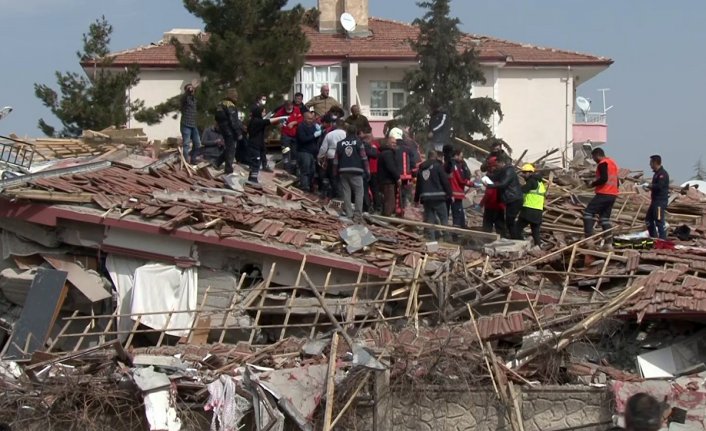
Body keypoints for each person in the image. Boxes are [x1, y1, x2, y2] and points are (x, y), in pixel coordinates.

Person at [333, 124, 370, 222]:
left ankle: (349, 214)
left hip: (343, 171)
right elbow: (364, 158)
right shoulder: (359, 142)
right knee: (359, 193)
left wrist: (334, 172)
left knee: (346, 192)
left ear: (347, 132)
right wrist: (368, 171)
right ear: (356, 132)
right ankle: (357, 215)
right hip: (356, 171)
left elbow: (335, 160)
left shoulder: (340, 144)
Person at [414, 151, 452, 241]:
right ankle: (447, 239)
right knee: (444, 219)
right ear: (435, 157)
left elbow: (418, 185)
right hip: (438, 197)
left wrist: (416, 199)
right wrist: (450, 194)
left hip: (426, 198)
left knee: (429, 221)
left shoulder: (421, 169)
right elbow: (445, 181)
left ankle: (432, 240)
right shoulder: (438, 166)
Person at [583, 147, 619, 240]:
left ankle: (588, 238)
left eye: (593, 157)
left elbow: (604, 178)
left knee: (588, 212)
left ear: (597, 155)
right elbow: (616, 181)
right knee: (604, 218)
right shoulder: (612, 163)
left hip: (604, 193)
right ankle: (608, 243)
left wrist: (592, 184)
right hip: (613, 194)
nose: (594, 160)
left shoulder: (602, 164)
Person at [246, 105, 288, 183]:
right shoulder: (257, 122)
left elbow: (268, 118)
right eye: (263, 112)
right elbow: (269, 121)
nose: (264, 113)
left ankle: (252, 179)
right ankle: (252, 180)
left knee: (256, 162)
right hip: (254, 145)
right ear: (259, 113)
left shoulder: (256, 120)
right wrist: (283, 118)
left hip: (258, 145)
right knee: (256, 162)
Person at [485, 157, 523, 239]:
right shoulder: (503, 171)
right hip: (511, 199)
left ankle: (517, 239)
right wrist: (487, 175)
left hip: (514, 199)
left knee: (510, 221)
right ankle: (515, 238)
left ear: (500, 162)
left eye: (496, 166)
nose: (495, 168)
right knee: (509, 221)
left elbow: (503, 184)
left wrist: (490, 185)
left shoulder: (509, 171)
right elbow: (494, 177)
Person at [214, 88, 244, 175]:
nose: (237, 98)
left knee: (229, 148)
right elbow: (233, 121)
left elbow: (216, 118)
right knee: (231, 149)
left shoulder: (220, 103)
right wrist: (238, 133)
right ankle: (228, 169)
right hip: (229, 129)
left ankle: (217, 162)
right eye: (236, 96)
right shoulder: (230, 105)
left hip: (222, 128)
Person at [516, 163, 546, 246]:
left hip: (529, 210)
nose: (523, 175)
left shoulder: (531, 181)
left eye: (525, 173)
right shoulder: (540, 183)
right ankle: (538, 246)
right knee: (535, 231)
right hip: (538, 211)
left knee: (516, 229)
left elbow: (523, 190)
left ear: (530, 173)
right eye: (523, 172)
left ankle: (521, 245)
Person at [318, 119, 347, 198]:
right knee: (341, 177)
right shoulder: (346, 134)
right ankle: (341, 194)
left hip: (331, 155)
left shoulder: (330, 134)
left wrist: (320, 156)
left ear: (335, 125)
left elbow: (323, 148)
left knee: (333, 176)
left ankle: (335, 194)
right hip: (343, 157)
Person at [644, 155, 670, 240]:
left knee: (659, 221)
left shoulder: (662, 174)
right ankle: (653, 237)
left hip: (660, 202)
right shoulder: (656, 174)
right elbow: (655, 187)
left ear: (655, 162)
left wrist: (650, 185)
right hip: (654, 201)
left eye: (651, 162)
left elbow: (659, 186)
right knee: (648, 219)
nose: (649, 164)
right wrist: (648, 187)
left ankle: (662, 240)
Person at [296, 112, 323, 192]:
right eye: (309, 119)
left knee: (312, 171)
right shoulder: (301, 127)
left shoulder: (313, 126)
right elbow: (303, 139)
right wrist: (314, 135)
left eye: (312, 118)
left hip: (312, 153)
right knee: (305, 170)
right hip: (304, 152)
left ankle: (310, 186)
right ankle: (305, 187)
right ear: (304, 118)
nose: (311, 120)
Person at [274, 100, 303, 174]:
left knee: (294, 153)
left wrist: (294, 122)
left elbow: (301, 119)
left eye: (290, 107)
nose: (289, 109)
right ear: (285, 106)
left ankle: (293, 171)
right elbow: (275, 119)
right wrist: (278, 124)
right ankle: (286, 169)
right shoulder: (281, 111)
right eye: (287, 107)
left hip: (295, 135)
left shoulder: (296, 109)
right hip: (285, 135)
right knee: (286, 151)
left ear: (292, 106)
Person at [480, 157, 506, 236]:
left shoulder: (491, 177)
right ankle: (502, 242)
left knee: (487, 227)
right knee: (500, 227)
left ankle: (486, 242)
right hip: (500, 206)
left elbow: (489, 193)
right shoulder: (503, 175)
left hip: (491, 206)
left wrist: (481, 204)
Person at [448, 148, 473, 228]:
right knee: (457, 214)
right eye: (461, 157)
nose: (462, 159)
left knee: (459, 212)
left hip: (453, 193)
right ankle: (456, 234)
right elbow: (461, 179)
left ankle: (461, 228)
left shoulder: (449, 164)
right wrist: (471, 183)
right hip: (456, 193)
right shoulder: (455, 165)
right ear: (456, 156)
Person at [378, 135, 400, 216]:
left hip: (383, 181)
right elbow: (391, 167)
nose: (394, 144)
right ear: (387, 143)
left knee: (386, 201)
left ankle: (385, 215)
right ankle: (387, 218)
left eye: (395, 143)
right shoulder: (388, 153)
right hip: (388, 181)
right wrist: (398, 177)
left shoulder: (383, 153)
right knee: (390, 202)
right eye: (392, 142)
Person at [180, 83, 201, 164]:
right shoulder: (184, 99)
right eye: (189, 89)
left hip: (194, 124)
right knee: (186, 144)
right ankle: (186, 161)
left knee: (197, 143)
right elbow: (186, 94)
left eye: (192, 89)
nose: (191, 90)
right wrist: (190, 88)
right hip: (186, 124)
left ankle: (193, 158)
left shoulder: (195, 99)